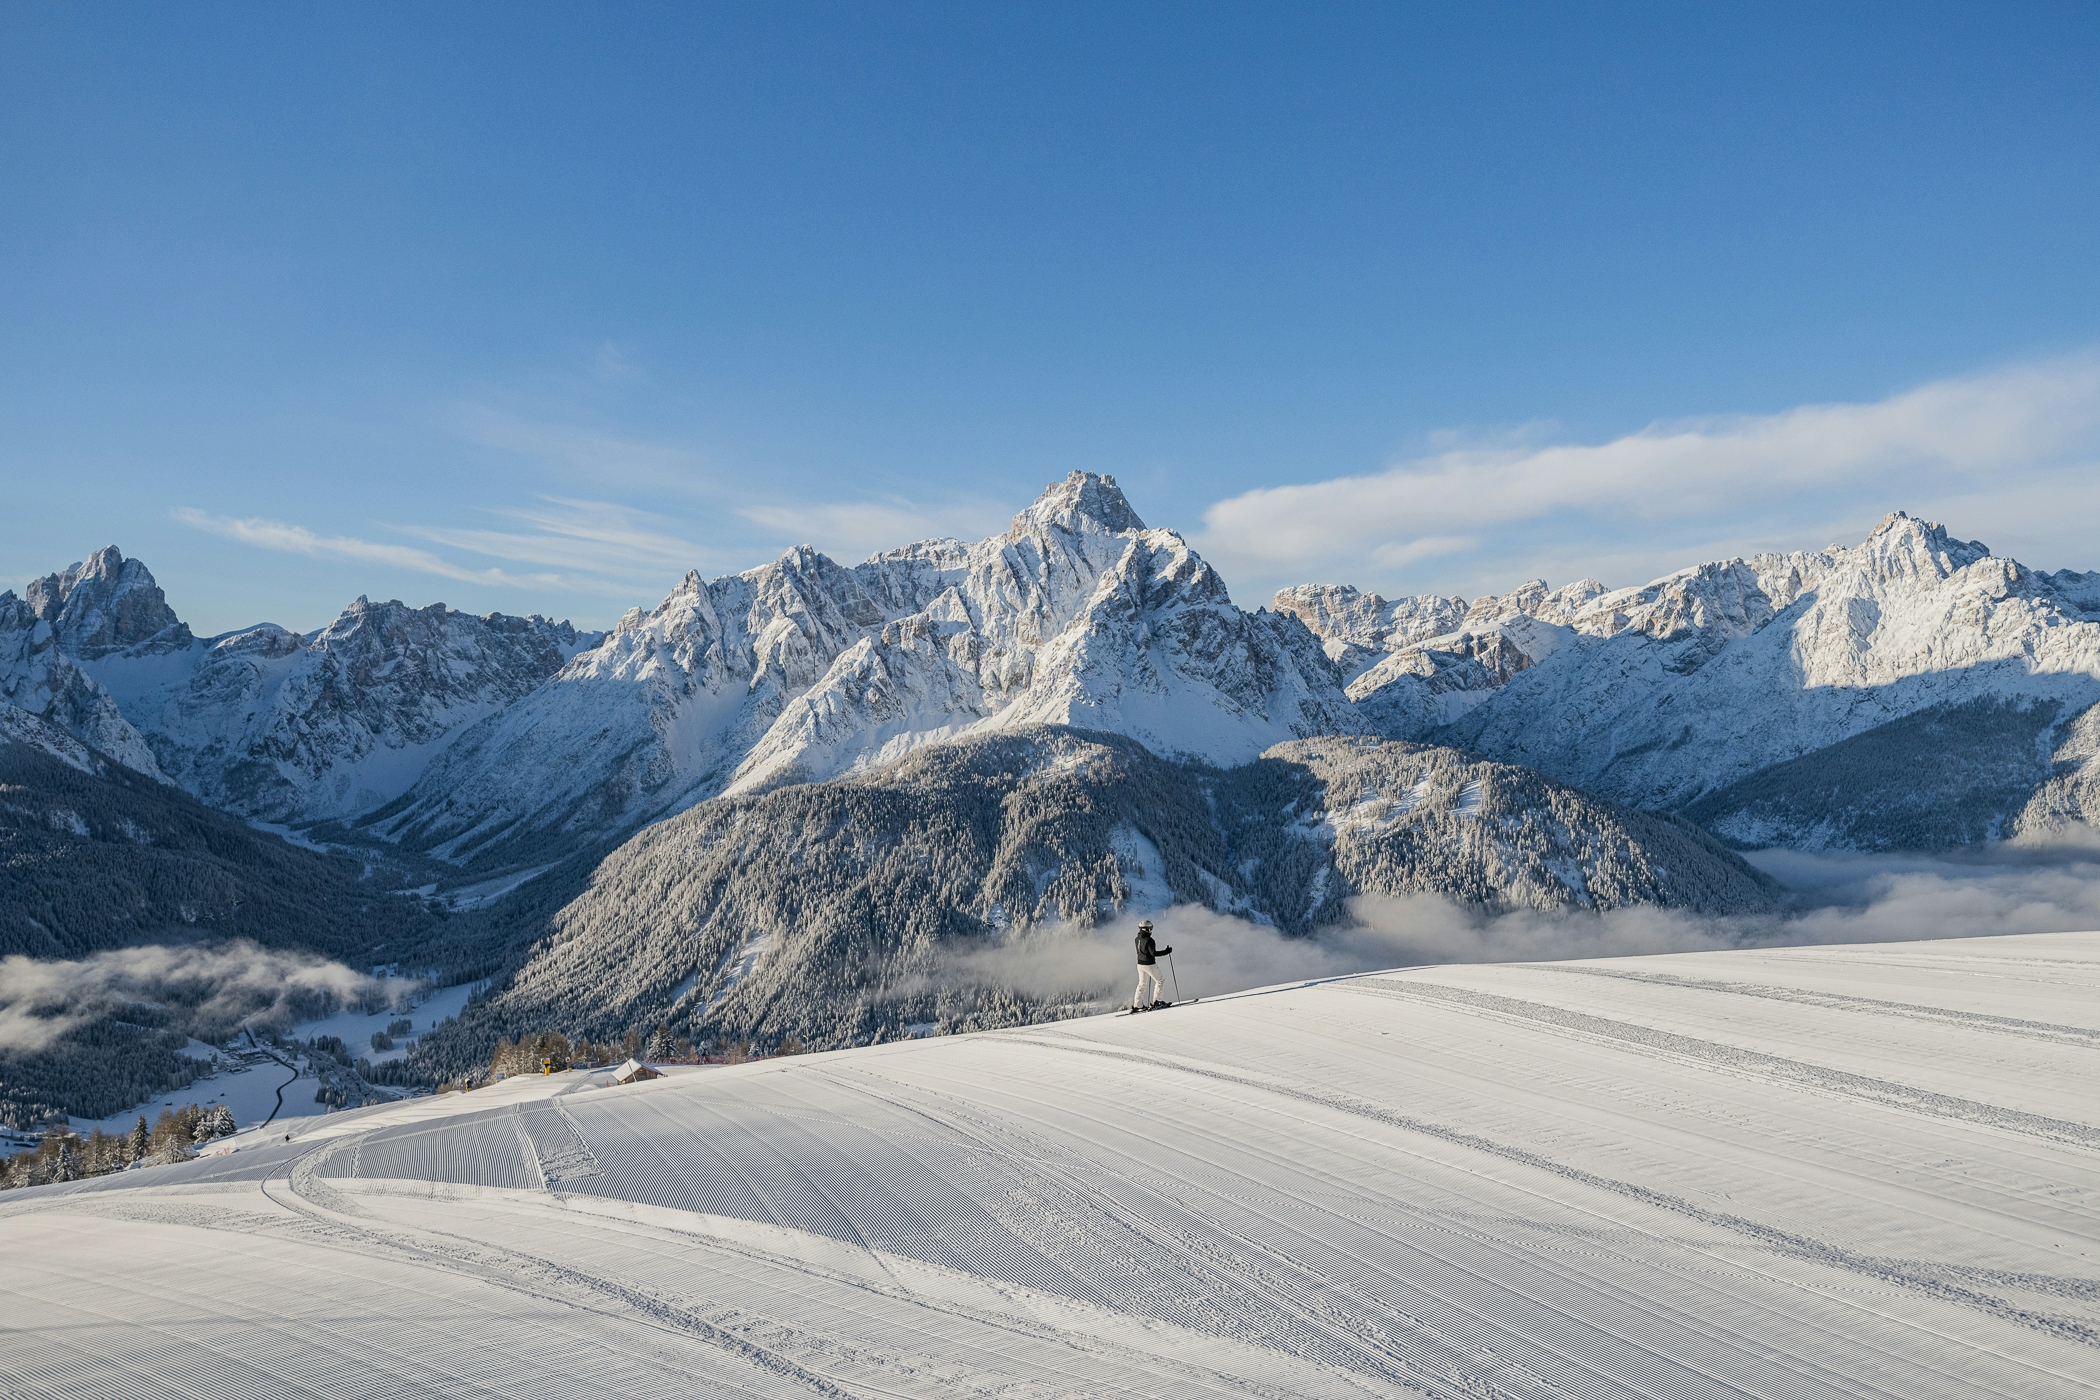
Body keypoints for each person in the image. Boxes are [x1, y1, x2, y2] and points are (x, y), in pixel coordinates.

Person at [1132, 920, 1172, 1010]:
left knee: (1142, 984)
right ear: (1146, 929)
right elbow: (1153, 953)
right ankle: (1157, 1001)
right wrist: (1166, 951)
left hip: (1140, 964)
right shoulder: (1149, 940)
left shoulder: (1137, 939)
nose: (1151, 931)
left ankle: (1138, 1005)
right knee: (1160, 980)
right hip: (1149, 964)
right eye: (1150, 929)